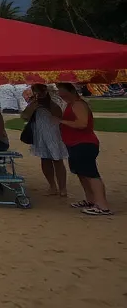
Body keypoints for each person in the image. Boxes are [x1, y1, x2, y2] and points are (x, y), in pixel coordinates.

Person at [54, 83, 110, 215]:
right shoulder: (70, 104)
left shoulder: (78, 104)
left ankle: (102, 205)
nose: (60, 94)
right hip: (74, 143)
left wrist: (61, 121)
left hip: (84, 143)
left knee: (91, 174)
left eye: (61, 91)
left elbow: (82, 123)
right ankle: (91, 199)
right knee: (82, 173)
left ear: (70, 91)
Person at [21, 84, 67, 197]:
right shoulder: (34, 103)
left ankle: (62, 188)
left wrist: (46, 103)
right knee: (45, 159)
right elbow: (25, 116)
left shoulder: (53, 102)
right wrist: (34, 105)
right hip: (40, 134)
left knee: (57, 159)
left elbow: (59, 114)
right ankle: (52, 186)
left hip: (53, 134)